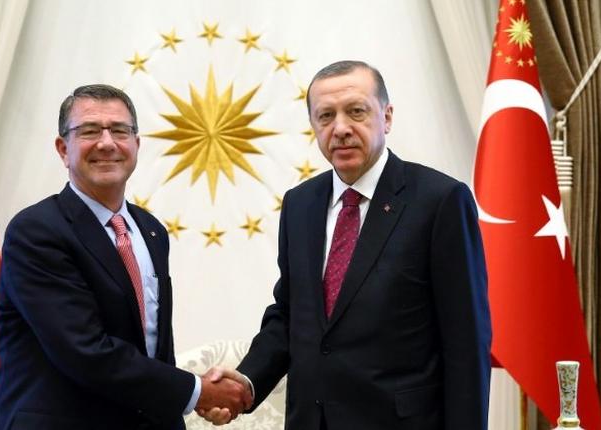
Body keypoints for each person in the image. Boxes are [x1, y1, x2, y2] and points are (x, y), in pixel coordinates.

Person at [202, 61, 491, 429]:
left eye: (356, 111)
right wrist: (246, 381)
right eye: (325, 116)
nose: (340, 128)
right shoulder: (300, 204)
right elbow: (291, 315)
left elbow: (466, 341)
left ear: (386, 117)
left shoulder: (440, 200)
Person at [0, 84, 250, 430]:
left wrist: (180, 406)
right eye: (90, 131)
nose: (107, 143)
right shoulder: (37, 232)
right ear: (63, 148)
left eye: (120, 131)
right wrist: (196, 392)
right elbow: (84, 352)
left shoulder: (150, 230)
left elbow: (153, 345)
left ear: (136, 145)